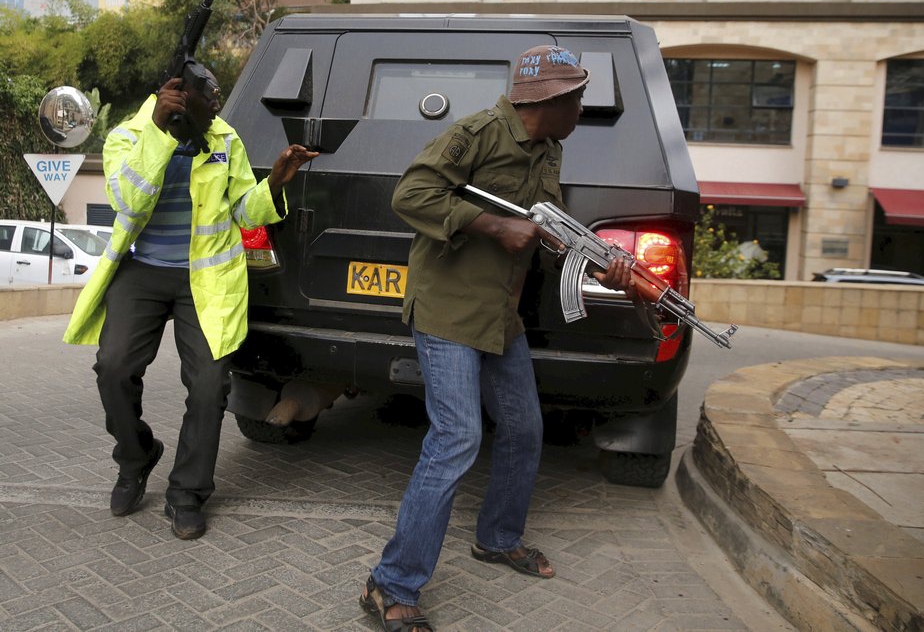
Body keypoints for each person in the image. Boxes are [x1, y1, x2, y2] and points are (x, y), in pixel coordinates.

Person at [359, 45, 633, 631]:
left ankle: (496, 537)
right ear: (550, 101)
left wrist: (604, 260)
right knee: (456, 439)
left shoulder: (550, 148)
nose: (583, 109)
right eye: (577, 98)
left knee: (524, 427)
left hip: (500, 316)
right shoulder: (477, 133)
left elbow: (549, 220)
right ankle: (390, 585)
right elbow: (410, 195)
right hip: (450, 310)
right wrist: (493, 224)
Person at [63, 66, 318, 540]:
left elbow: (243, 211)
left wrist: (275, 184)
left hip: (205, 276)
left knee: (208, 387)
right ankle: (136, 457)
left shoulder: (225, 139)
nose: (220, 105)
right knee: (113, 368)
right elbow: (128, 202)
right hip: (141, 271)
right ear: (180, 97)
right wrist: (160, 136)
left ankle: (187, 493)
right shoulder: (128, 135)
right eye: (213, 96)